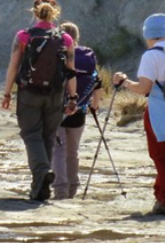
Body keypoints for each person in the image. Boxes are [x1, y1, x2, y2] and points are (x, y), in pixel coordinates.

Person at [112, 13, 165, 217]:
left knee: (162, 156)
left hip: (161, 112)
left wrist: (124, 82)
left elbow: (143, 89)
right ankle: (162, 196)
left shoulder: (151, 56)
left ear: (148, 35)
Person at [1, 0, 78, 201]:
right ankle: (40, 189)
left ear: (34, 12)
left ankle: (42, 174)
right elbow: (71, 71)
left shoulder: (24, 36)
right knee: (48, 137)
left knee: (31, 135)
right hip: (55, 95)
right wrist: (73, 98)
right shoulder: (65, 39)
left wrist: (7, 93)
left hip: (29, 93)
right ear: (55, 11)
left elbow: (13, 66)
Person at [52, 21, 102, 200]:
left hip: (58, 110)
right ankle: (73, 188)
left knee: (58, 150)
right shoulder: (87, 57)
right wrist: (94, 106)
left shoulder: (58, 54)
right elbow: (97, 83)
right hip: (79, 110)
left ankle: (60, 189)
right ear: (77, 37)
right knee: (73, 151)